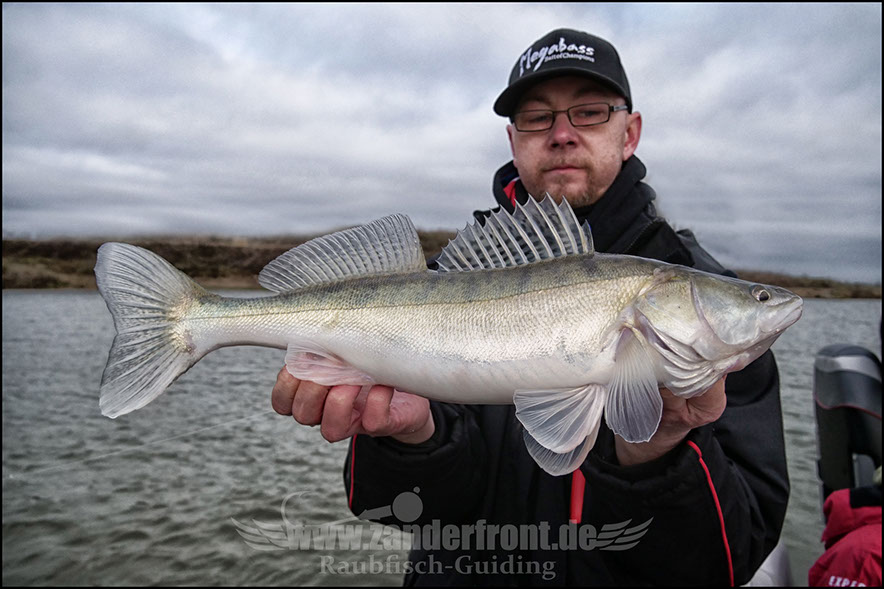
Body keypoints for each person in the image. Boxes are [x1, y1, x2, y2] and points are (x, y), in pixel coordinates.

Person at [271, 28, 789, 585]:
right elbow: (403, 506)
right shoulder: (456, 274)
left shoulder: (714, 325)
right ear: (513, 139)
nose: (562, 134)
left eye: (589, 112)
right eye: (538, 117)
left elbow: (728, 561)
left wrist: (657, 455)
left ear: (630, 132)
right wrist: (412, 437)